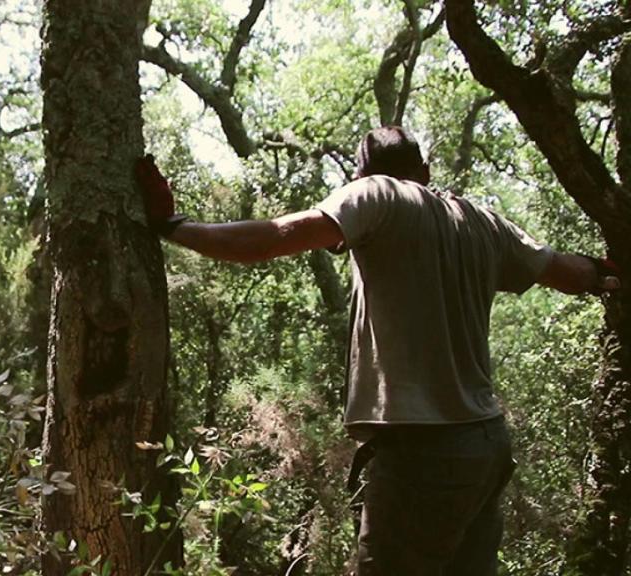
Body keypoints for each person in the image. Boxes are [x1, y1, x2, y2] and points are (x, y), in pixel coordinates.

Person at [134, 126, 620, 575]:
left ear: (360, 176)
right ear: (425, 173)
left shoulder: (376, 195)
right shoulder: (482, 220)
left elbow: (272, 238)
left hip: (420, 453)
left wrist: (174, 226)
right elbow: (568, 272)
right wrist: (608, 271)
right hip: (486, 446)